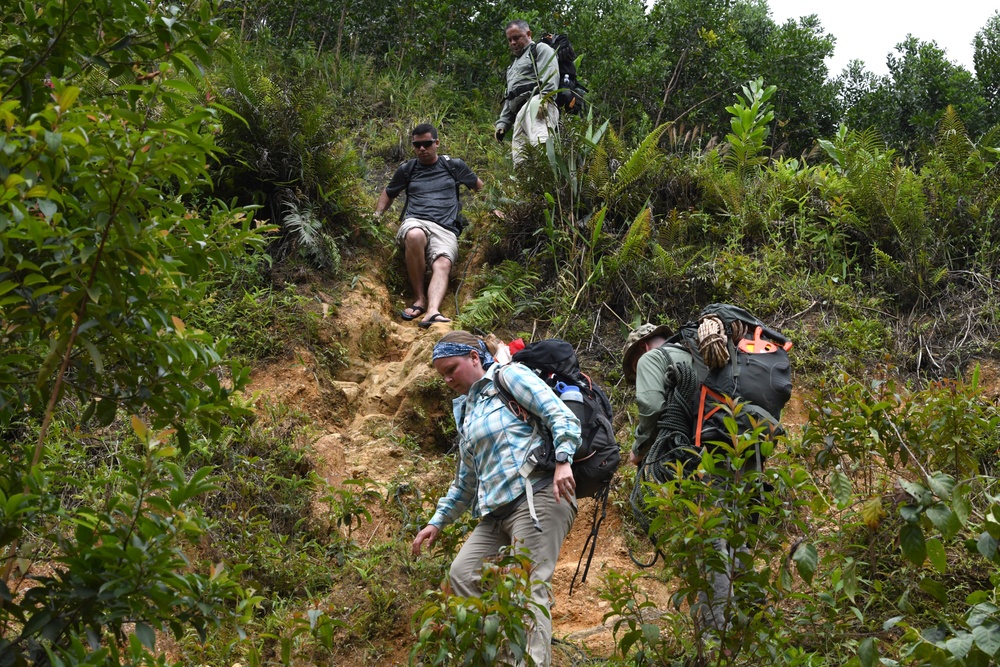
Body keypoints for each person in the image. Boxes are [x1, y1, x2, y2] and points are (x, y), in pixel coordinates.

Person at [412, 331, 580, 666]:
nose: (447, 380)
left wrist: (563, 460)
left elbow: (560, 415)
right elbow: (466, 481)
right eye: (442, 375)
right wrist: (437, 522)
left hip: (538, 495)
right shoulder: (468, 410)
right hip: (496, 512)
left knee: (528, 589)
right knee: (463, 574)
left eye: (451, 369)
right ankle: (504, 656)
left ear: (474, 358)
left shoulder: (509, 376)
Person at [376, 124, 483, 328]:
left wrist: (494, 208)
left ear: (437, 143)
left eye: (426, 143)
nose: (422, 149)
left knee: (443, 262)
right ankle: (419, 299)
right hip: (416, 220)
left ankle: (433, 310)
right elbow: (389, 192)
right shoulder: (408, 169)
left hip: (446, 227)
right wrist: (377, 215)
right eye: (417, 145)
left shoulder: (454, 166)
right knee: (414, 235)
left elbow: (478, 186)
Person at [495, 20, 560, 165]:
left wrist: (545, 98)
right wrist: (503, 123)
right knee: (521, 162)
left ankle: (552, 176)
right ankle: (529, 180)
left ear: (528, 34)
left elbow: (551, 74)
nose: (513, 43)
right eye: (509, 40)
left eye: (516, 37)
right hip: (519, 114)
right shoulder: (512, 67)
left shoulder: (540, 49)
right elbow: (510, 96)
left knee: (541, 144)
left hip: (536, 104)